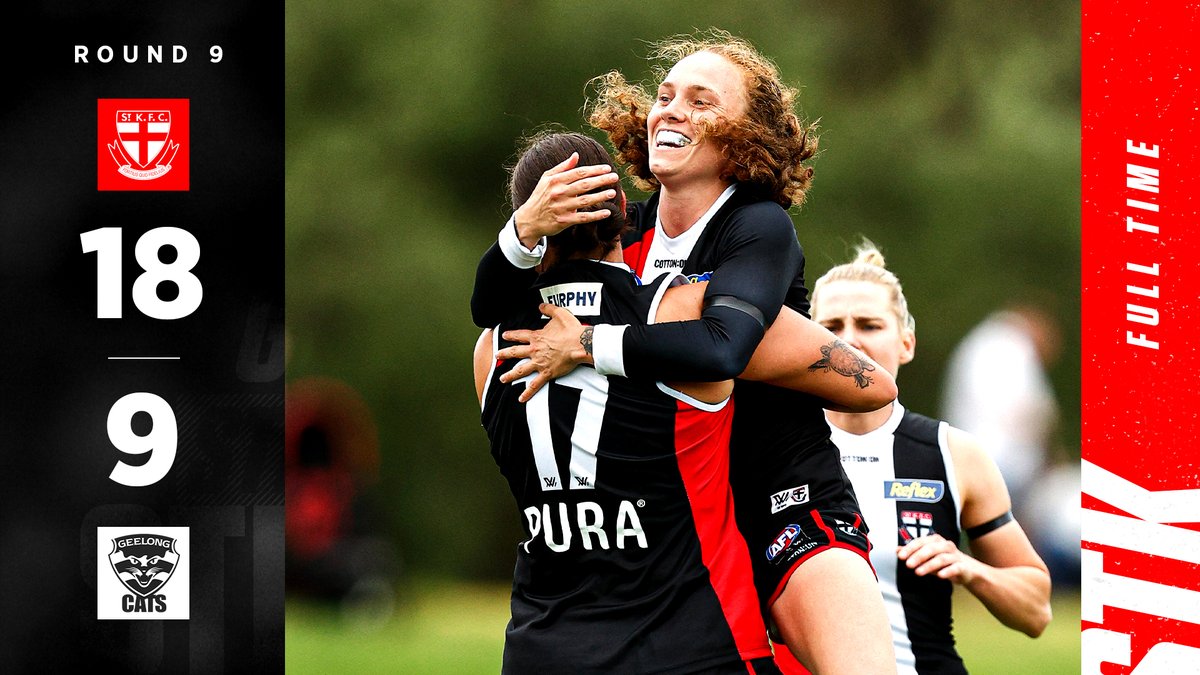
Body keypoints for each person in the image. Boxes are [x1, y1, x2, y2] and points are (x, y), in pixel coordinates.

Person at [470, 29, 897, 673]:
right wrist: (524, 229)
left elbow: (737, 354)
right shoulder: (625, 231)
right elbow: (489, 311)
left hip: (784, 495)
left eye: (702, 101)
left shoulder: (755, 225)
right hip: (681, 522)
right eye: (665, 95)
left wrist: (589, 344)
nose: (671, 109)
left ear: (745, 137)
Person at [800, 241, 1053, 674]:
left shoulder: (953, 454)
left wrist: (971, 570)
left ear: (906, 343)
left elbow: (1036, 610)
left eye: (869, 324)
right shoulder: (768, 448)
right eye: (832, 326)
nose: (849, 341)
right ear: (806, 343)